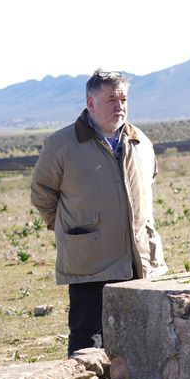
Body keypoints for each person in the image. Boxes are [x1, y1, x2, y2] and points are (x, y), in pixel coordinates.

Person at [31, 69, 167, 356]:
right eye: (111, 100)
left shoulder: (140, 141)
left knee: (140, 335)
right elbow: (42, 195)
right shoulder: (62, 145)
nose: (119, 106)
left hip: (138, 257)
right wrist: (73, 230)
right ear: (91, 104)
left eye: (123, 99)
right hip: (90, 261)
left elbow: (149, 182)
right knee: (88, 338)